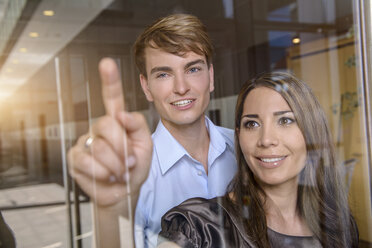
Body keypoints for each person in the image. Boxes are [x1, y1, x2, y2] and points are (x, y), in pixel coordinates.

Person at [67, 13, 237, 247]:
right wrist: (108, 210)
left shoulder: (245, 148)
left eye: (193, 69)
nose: (181, 87)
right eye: (164, 74)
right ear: (146, 87)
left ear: (210, 76)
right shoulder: (135, 172)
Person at [158, 72, 359, 247]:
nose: (266, 140)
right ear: (238, 135)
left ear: (312, 133)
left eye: (285, 120)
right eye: (252, 124)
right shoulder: (199, 227)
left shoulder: (339, 226)